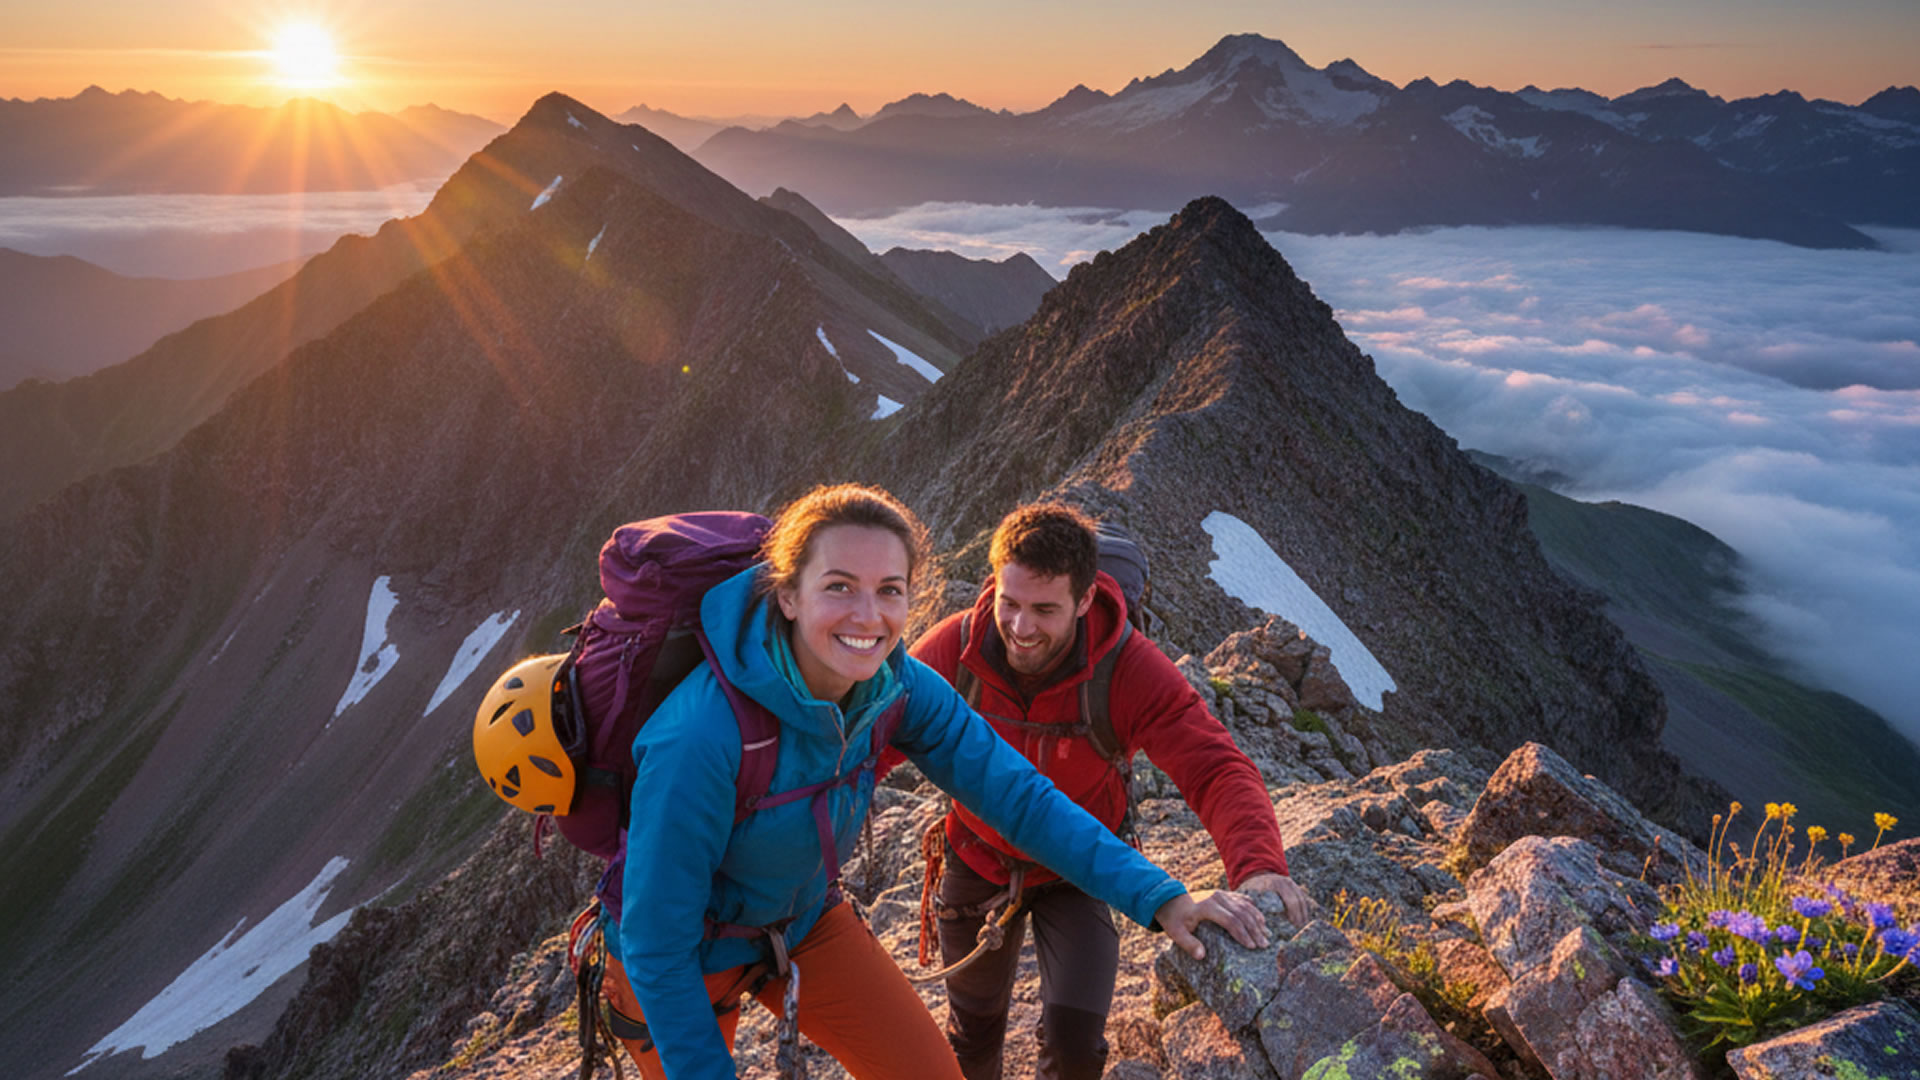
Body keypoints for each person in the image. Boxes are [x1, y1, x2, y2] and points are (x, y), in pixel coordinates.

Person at [607, 484, 1271, 1080]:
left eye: (890, 590)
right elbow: (656, 940)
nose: (868, 616)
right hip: (686, 949)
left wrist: (1163, 899)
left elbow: (1019, 795)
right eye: (839, 586)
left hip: (804, 920)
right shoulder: (701, 735)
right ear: (786, 594)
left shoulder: (897, 687)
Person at [909, 502, 1312, 1080]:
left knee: (1076, 1049)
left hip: (1078, 870)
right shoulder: (958, 648)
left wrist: (1258, 866)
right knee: (973, 1035)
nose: (1021, 628)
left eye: (1045, 610)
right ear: (994, 585)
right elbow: (874, 733)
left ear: (1083, 600)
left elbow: (1214, 767)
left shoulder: (1125, 667)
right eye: (1010, 603)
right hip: (977, 857)